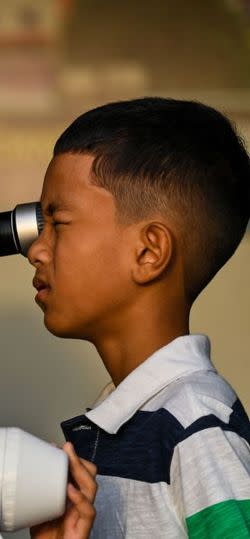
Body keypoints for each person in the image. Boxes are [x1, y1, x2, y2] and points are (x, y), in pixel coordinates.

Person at [27, 97, 250, 538]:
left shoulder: (196, 429)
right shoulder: (139, 422)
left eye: (59, 222)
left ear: (149, 252)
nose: (36, 249)